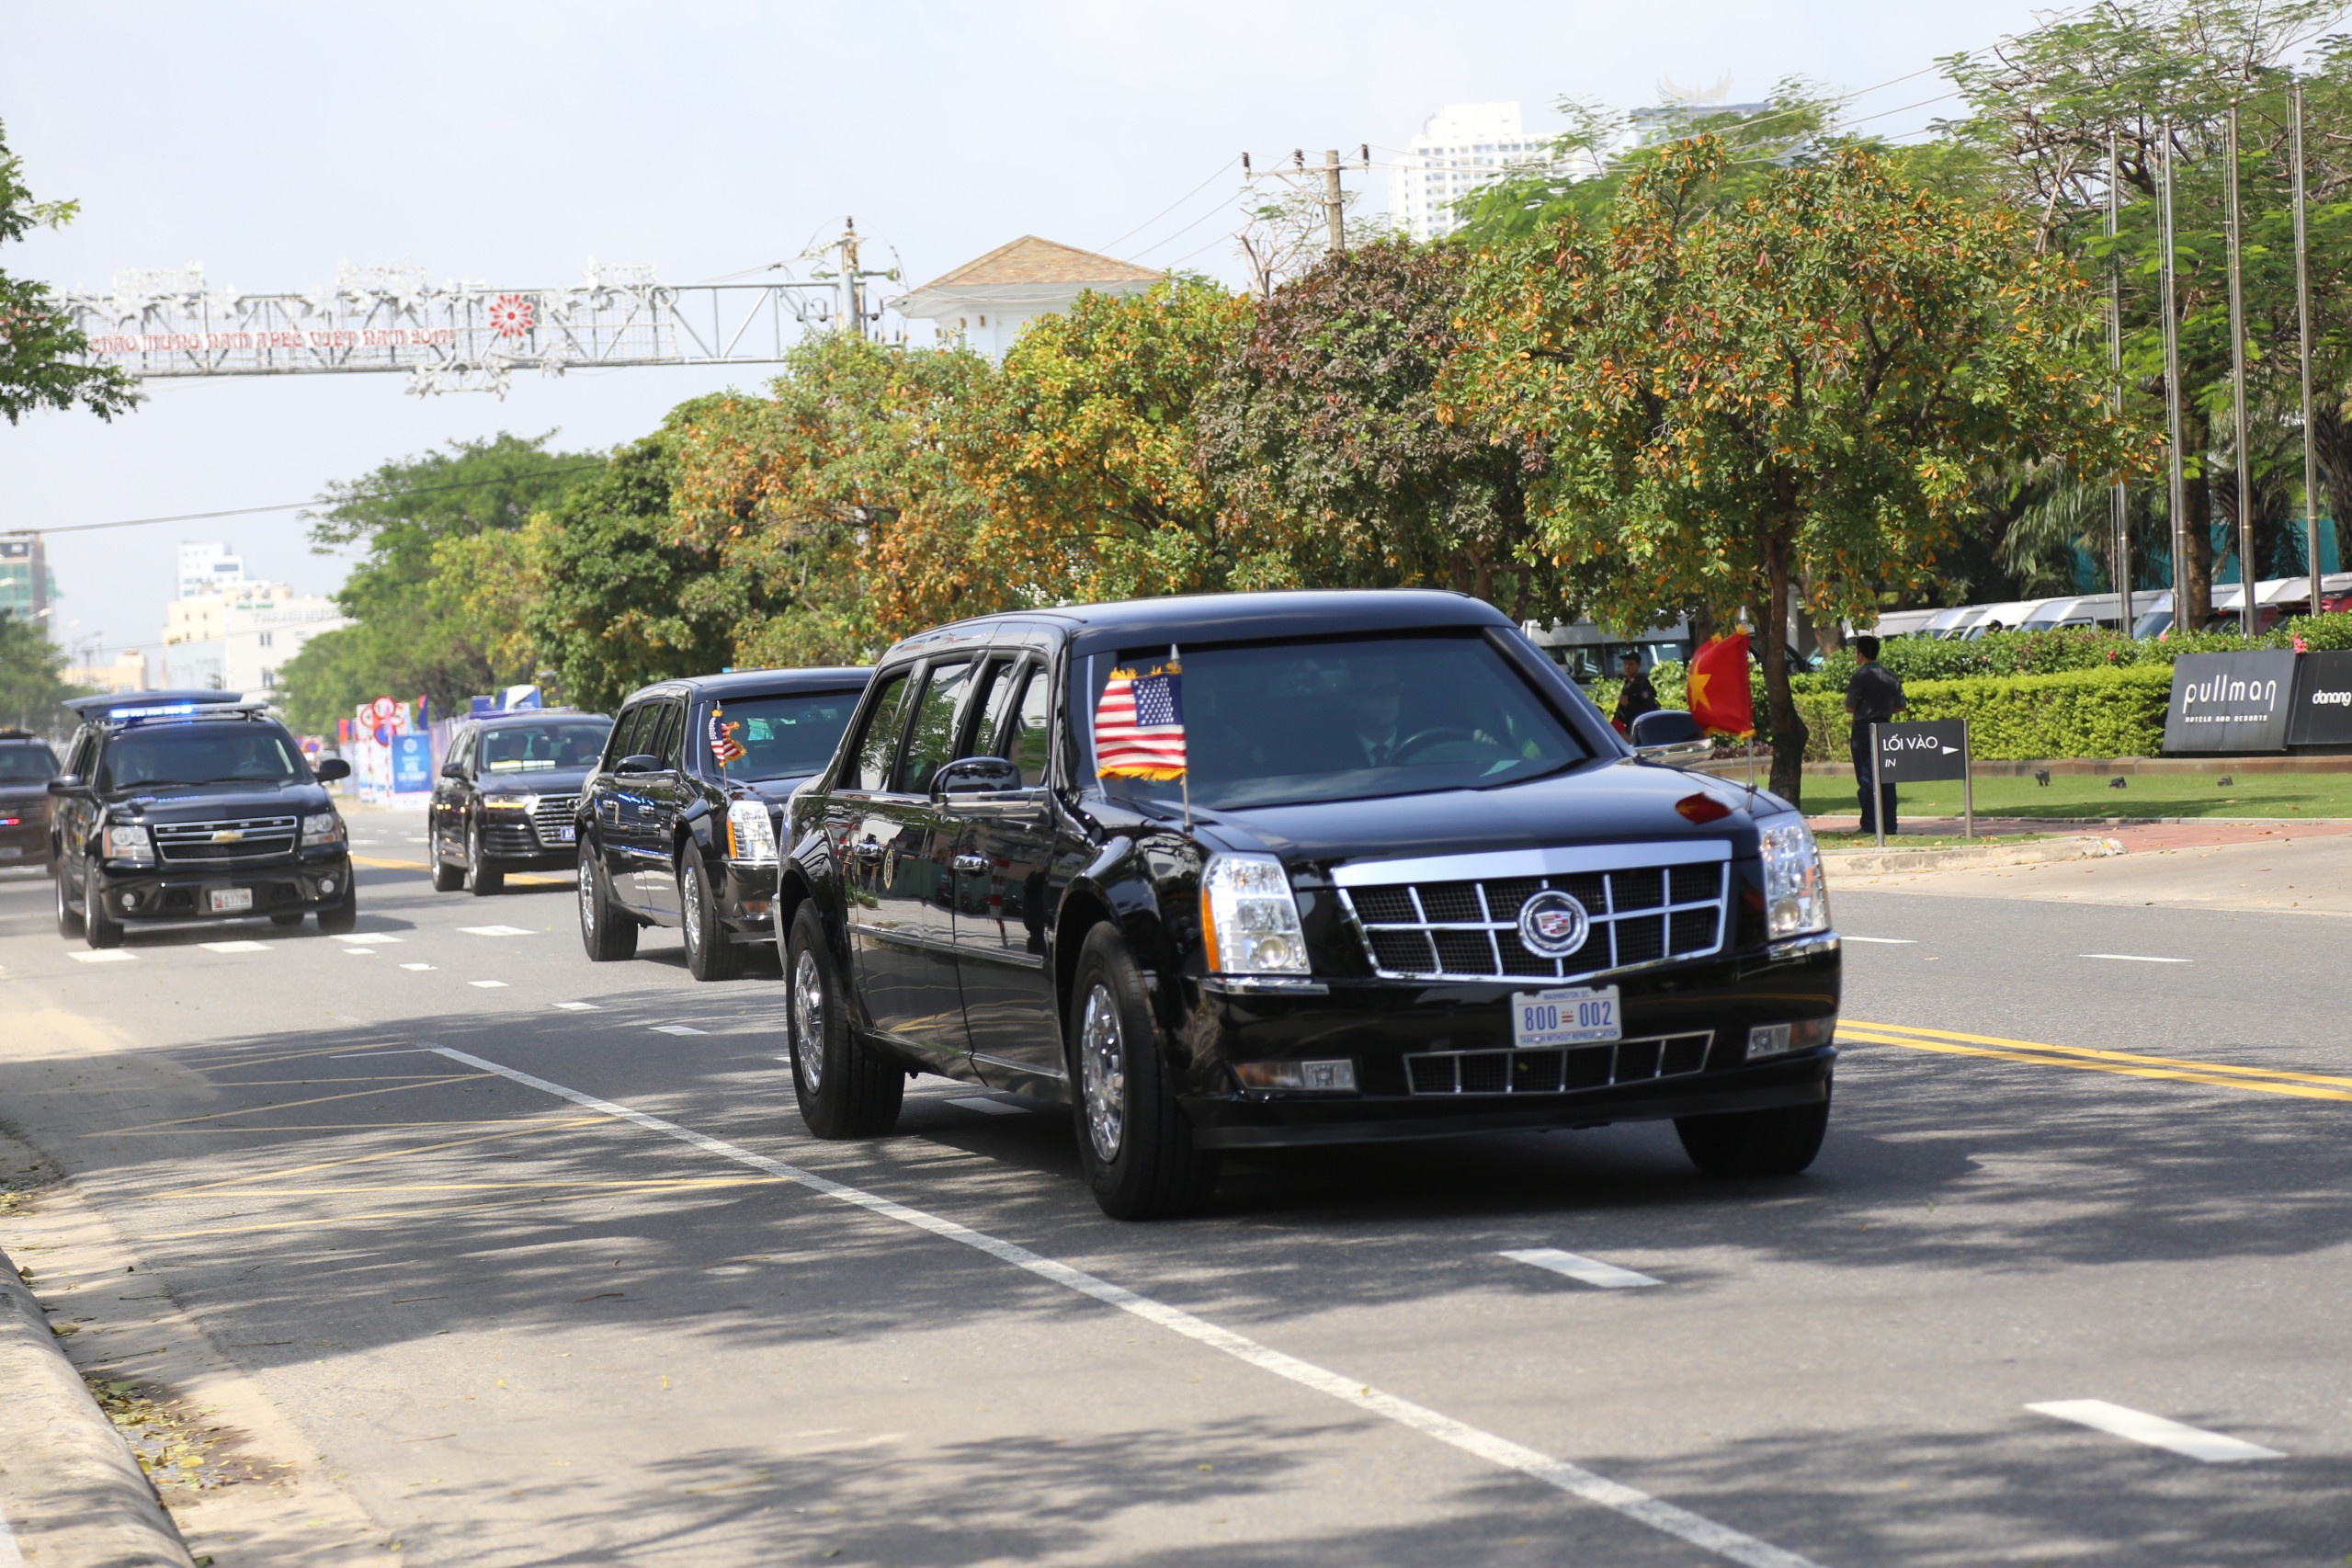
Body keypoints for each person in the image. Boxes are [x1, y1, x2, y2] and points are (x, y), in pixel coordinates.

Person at [1846, 635, 1905, 835]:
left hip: (1863, 730)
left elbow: (1849, 707)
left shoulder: (1859, 677)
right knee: (1888, 778)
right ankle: (1889, 824)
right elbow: (1900, 707)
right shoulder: (1891, 675)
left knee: (1866, 779)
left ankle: (1870, 824)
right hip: (1885, 730)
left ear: (1860, 654)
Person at [1611, 651, 1659, 735]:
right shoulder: (1628, 684)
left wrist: (1628, 704)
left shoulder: (1642, 685)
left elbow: (1648, 709)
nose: (1627, 667)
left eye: (1631, 664)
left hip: (1639, 730)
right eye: (1625, 664)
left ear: (1638, 665)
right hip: (1627, 728)